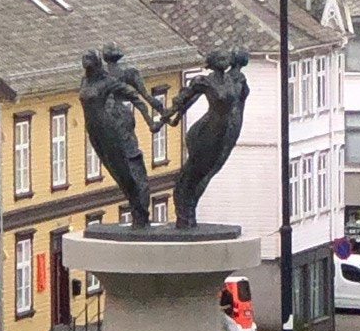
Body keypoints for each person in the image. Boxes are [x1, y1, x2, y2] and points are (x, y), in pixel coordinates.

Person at [169, 48, 250, 226]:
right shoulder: (204, 81)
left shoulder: (235, 79)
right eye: (220, 57)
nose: (225, 60)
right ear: (212, 63)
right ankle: (184, 212)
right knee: (195, 173)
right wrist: (173, 116)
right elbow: (187, 98)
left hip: (224, 133)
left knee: (208, 172)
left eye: (226, 57)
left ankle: (189, 209)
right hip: (206, 132)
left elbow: (239, 101)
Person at [78, 48, 157, 226]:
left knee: (123, 169)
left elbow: (134, 97)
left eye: (89, 59)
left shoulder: (108, 82)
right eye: (84, 58)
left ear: (98, 62)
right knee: (113, 169)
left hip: (107, 129)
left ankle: (140, 209)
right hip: (92, 131)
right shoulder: (84, 81)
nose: (85, 62)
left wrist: (150, 119)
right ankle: (136, 205)